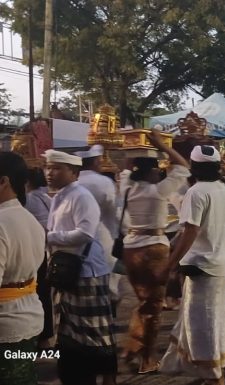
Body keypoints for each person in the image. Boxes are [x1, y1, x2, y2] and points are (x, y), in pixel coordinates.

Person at [44, 149, 117, 385]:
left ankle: (105, 375)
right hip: (68, 271)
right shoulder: (59, 196)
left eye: (56, 168)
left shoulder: (81, 195)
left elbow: (84, 233)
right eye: (48, 168)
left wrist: (50, 237)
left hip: (87, 271)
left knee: (95, 331)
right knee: (69, 329)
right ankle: (77, 373)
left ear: (74, 172)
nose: (49, 173)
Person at [160, 145, 225, 385]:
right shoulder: (222, 189)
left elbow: (190, 230)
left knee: (202, 324)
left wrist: (170, 263)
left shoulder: (196, 192)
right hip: (218, 265)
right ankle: (211, 368)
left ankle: (213, 375)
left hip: (202, 266)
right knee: (213, 319)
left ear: (194, 167)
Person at [120, 130, 190, 373]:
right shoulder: (158, 190)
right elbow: (183, 165)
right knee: (153, 306)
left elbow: (127, 169)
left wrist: (135, 155)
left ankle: (134, 346)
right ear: (153, 170)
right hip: (153, 249)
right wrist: (162, 146)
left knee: (143, 301)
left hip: (130, 248)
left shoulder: (126, 187)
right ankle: (145, 358)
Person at [0, 152, 46, 385]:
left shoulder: (2, 223)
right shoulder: (30, 220)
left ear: (4, 181)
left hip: (6, 324)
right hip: (29, 318)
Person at [75, 144, 122, 313]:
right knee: (108, 282)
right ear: (96, 161)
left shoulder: (73, 181)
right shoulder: (104, 182)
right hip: (102, 236)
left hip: (75, 238)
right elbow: (115, 211)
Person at [23, 167, 55, 349]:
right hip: (44, 251)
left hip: (32, 252)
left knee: (33, 294)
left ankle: (36, 336)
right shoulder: (47, 198)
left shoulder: (27, 200)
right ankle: (45, 338)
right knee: (43, 295)